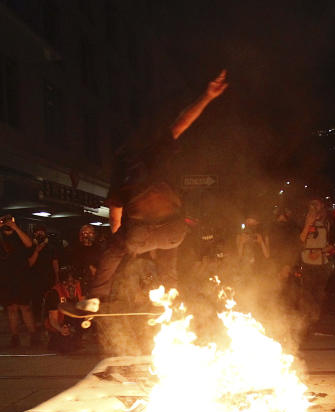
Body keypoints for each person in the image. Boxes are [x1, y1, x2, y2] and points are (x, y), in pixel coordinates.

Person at [74, 70, 229, 313]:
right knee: (170, 247)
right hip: (174, 231)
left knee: (114, 250)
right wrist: (207, 96)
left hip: (138, 234)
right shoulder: (159, 150)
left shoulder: (123, 166)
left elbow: (115, 214)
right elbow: (183, 121)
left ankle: (94, 299)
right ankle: (172, 296)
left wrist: (124, 244)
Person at [0, 214, 39, 348]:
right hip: (6, 279)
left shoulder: (19, 235)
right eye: (5, 221)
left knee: (25, 308)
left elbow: (29, 244)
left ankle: (33, 335)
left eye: (10, 221)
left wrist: (15, 228)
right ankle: (15, 336)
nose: (7, 224)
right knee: (11, 309)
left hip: (22, 277)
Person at [299, 196, 335, 331]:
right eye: (312, 205)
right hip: (307, 263)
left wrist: (320, 252)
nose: (315, 208)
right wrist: (308, 224)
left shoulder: (328, 223)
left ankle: (316, 322)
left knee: (319, 294)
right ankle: (304, 322)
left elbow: (333, 245)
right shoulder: (303, 221)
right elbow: (300, 241)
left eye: (317, 205)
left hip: (322, 264)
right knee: (306, 294)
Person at [43, 266, 84, 353]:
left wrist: (87, 320)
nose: (70, 285)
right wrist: (61, 329)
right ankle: (56, 339)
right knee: (65, 349)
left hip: (75, 319)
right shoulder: (54, 293)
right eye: (66, 283)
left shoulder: (80, 288)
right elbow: (53, 319)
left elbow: (85, 307)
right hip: (60, 322)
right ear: (61, 283)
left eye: (73, 282)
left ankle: (77, 338)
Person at [28, 226, 59, 329]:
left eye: (41, 232)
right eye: (37, 232)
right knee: (36, 301)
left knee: (49, 301)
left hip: (48, 278)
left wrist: (57, 277)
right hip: (34, 279)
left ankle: (48, 320)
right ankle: (37, 321)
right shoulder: (30, 247)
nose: (39, 234)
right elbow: (29, 263)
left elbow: (55, 263)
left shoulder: (51, 247)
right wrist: (36, 250)